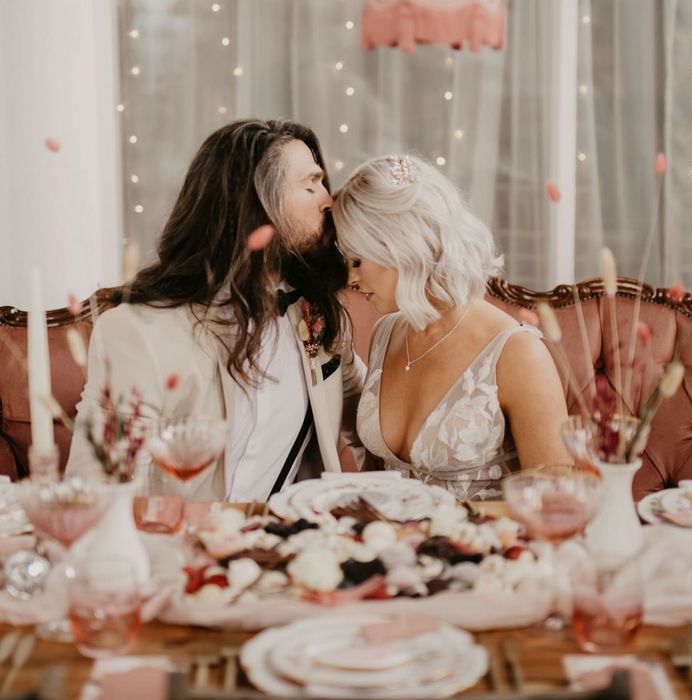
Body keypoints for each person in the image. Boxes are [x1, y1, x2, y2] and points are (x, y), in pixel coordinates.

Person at [66, 119, 366, 501]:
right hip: (180, 550)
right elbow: (98, 491)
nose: (328, 200)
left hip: (284, 547)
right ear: (256, 206)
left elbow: (373, 419)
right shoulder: (137, 332)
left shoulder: (318, 315)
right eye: (310, 185)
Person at [332, 154, 570, 500]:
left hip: (486, 549)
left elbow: (556, 503)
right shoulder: (388, 333)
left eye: (357, 260)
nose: (351, 278)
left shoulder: (517, 353)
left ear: (403, 246)